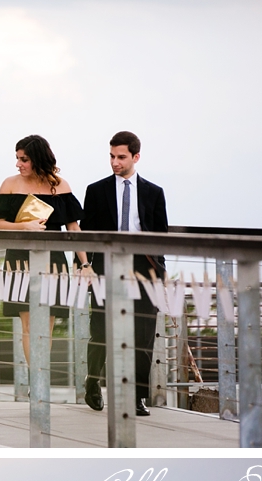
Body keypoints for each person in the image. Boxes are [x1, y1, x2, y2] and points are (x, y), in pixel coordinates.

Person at [81, 131, 169, 415]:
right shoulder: (96, 191)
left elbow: (161, 236)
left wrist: (161, 273)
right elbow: (84, 234)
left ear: (135, 157)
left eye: (121, 157)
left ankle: (136, 396)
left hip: (144, 268)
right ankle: (93, 381)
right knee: (102, 330)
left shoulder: (154, 193)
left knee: (143, 333)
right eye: (111, 156)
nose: (115, 162)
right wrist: (85, 266)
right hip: (106, 266)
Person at [0, 135, 90, 366]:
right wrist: (24, 225)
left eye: (24, 159)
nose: (18, 164)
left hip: (54, 261)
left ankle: (40, 376)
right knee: (30, 324)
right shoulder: (10, 184)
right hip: (19, 260)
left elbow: (74, 227)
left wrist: (85, 265)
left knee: (47, 326)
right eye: (17, 158)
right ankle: (37, 382)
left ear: (38, 159)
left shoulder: (60, 185)